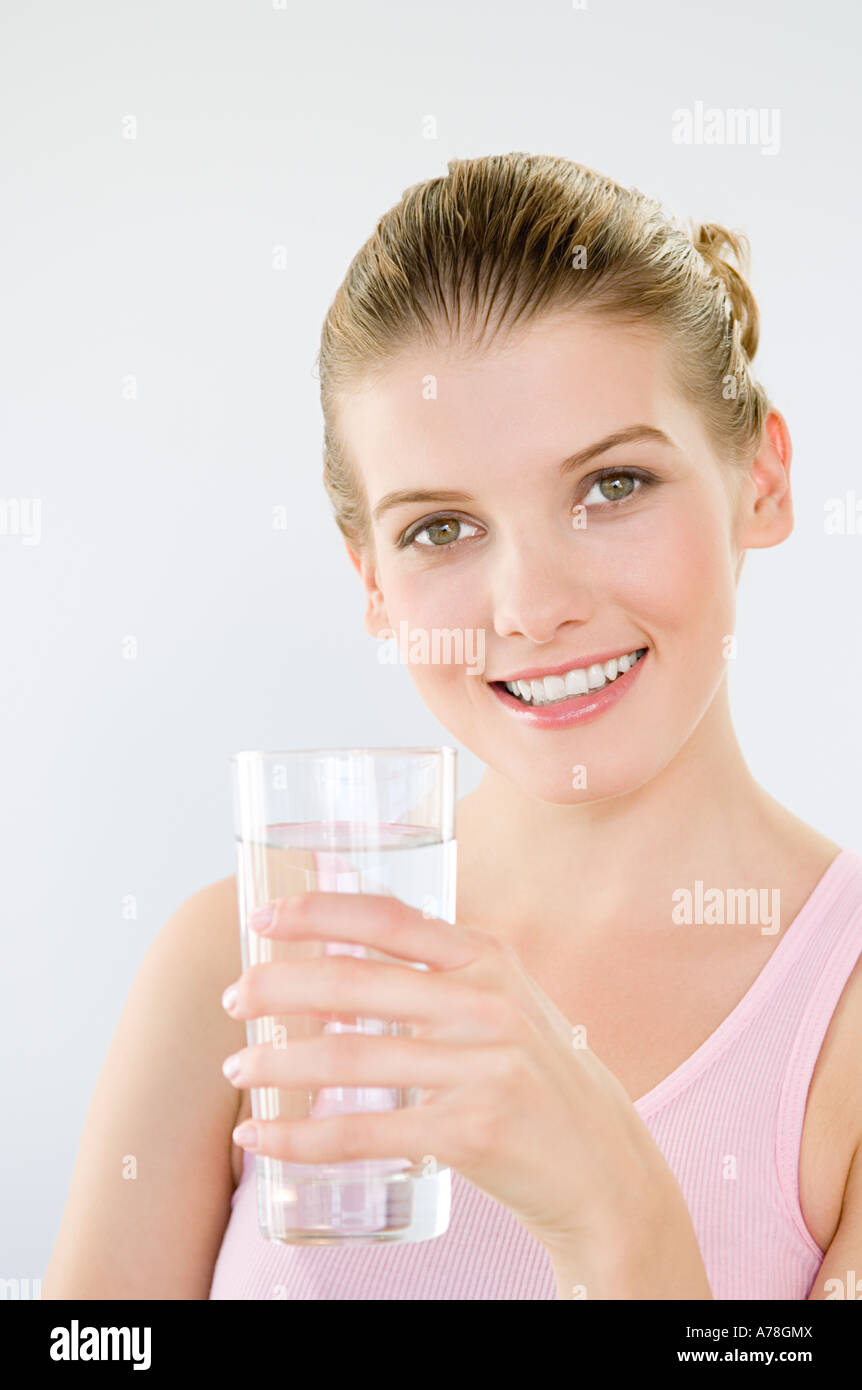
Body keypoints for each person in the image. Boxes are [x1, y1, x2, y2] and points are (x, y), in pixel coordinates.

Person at [43, 152, 862, 1301]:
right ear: (371, 580)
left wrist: (617, 1217)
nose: (533, 607)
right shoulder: (240, 968)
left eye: (612, 486)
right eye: (439, 528)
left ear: (761, 480)